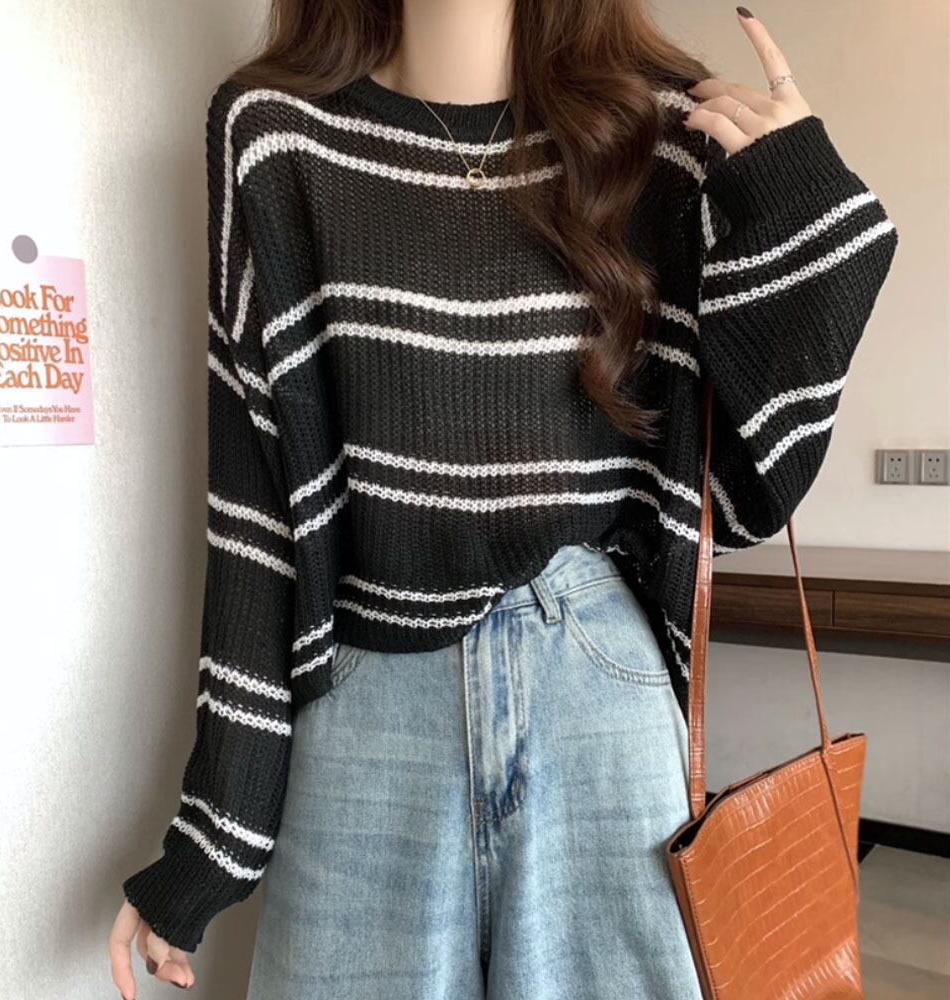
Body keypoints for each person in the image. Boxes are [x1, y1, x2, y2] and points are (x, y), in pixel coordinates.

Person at [109, 1, 898, 997]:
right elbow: (258, 515)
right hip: (368, 706)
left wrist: (805, 218)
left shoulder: (656, 137)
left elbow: (740, 501)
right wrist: (213, 834)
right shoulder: (273, 137)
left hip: (597, 691)